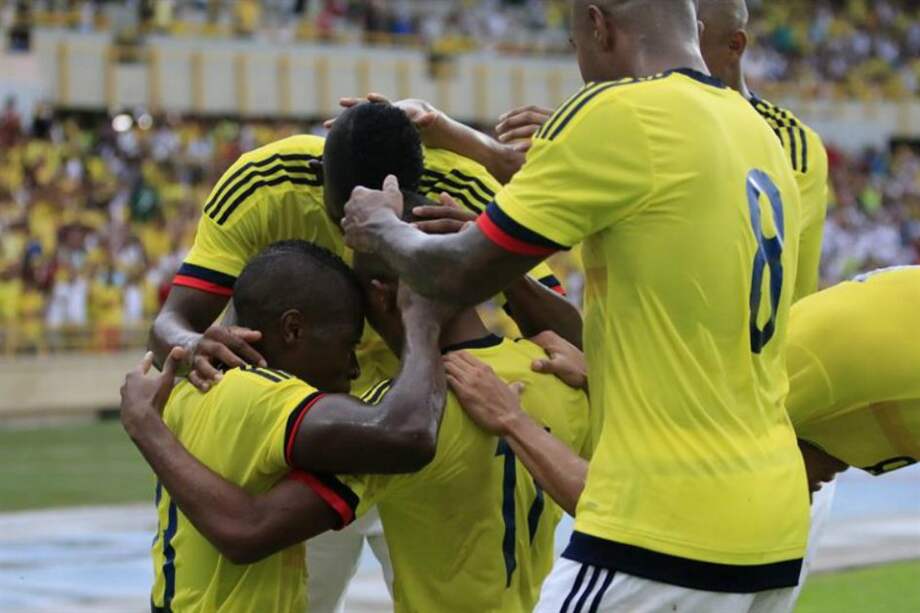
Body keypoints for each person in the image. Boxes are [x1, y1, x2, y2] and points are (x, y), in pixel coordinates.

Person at [340, 0, 810, 609]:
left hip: (666, 527)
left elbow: (452, 273)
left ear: (598, 24)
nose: (580, 65)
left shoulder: (620, 111)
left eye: (574, 47)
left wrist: (380, 227)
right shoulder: (758, 131)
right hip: (774, 522)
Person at [147, 100, 578, 612]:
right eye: (344, 218)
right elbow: (173, 322)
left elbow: (570, 336)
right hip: (318, 426)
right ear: (317, 173)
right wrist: (192, 342)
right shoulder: (267, 181)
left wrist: (488, 255)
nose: (356, 231)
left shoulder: (462, 191)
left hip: (421, 413)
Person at [449, 265, 920, 611]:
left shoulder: (762, 373)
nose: (833, 477)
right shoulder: (768, 384)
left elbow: (630, 515)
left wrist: (512, 420)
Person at [123, 239, 452, 613]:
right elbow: (409, 433)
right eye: (347, 345)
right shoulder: (265, 397)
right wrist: (422, 321)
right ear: (293, 329)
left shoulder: (191, 389)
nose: (353, 368)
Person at [495, 0, 830, 303]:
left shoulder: (784, 139)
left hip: (764, 343)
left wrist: (595, 146)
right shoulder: (644, 122)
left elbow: (732, 240)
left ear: (732, 45)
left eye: (686, 34)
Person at [697, 0, 829, 302]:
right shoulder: (664, 121)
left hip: (769, 330)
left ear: (734, 45)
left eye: (690, 40)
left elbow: (756, 244)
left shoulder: (789, 140)